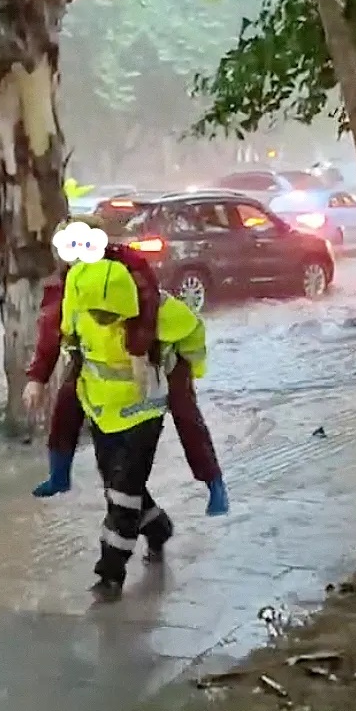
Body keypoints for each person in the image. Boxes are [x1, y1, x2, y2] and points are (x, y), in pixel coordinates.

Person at [23, 234, 228, 515]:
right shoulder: (73, 286)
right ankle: (60, 474)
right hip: (99, 362)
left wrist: (172, 361)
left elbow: (177, 323)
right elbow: (52, 331)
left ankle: (213, 483)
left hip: (165, 356)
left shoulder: (133, 283)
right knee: (68, 401)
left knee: (185, 413)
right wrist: (37, 378)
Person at [39, 258, 204, 601]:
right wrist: (37, 380)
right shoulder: (77, 306)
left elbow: (193, 332)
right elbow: (63, 343)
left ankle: (110, 574)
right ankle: (158, 528)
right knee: (116, 485)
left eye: (109, 315)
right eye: (96, 314)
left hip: (145, 415)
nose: (101, 320)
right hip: (101, 413)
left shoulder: (158, 310)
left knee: (124, 492)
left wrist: (190, 374)